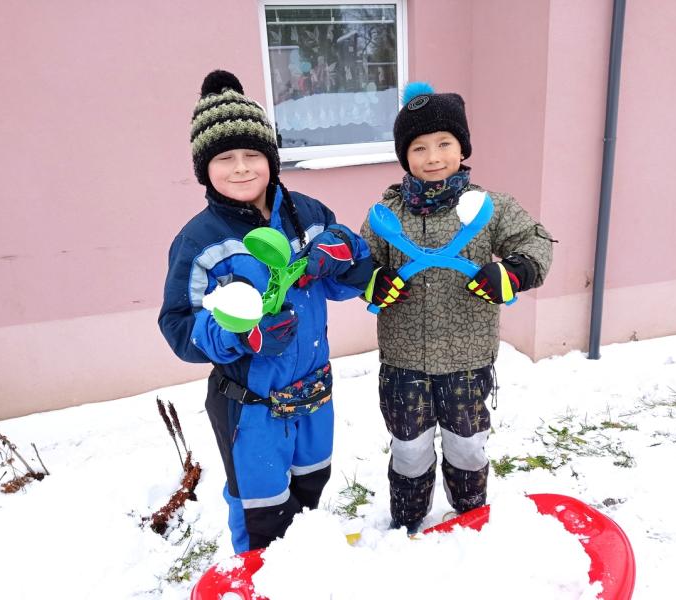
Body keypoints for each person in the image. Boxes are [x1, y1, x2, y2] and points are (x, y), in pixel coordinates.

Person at [159, 69, 373, 553]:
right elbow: (178, 326)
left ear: (272, 159)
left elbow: (349, 279)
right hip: (251, 408)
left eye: (252, 154)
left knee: (310, 490)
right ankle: (258, 576)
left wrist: (343, 248)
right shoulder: (199, 242)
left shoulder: (308, 213)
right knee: (262, 512)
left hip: (314, 394)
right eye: (225, 157)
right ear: (205, 169)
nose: (241, 168)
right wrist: (243, 336)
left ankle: (304, 562)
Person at [360, 82, 555, 534]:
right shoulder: (386, 214)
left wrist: (514, 272)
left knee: (467, 446)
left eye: (444, 143)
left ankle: (470, 519)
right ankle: (407, 523)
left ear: (462, 147)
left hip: (467, 358)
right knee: (409, 449)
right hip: (404, 360)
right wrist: (373, 281)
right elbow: (360, 263)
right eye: (419, 147)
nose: (433, 157)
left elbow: (535, 242)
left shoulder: (490, 207)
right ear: (404, 156)